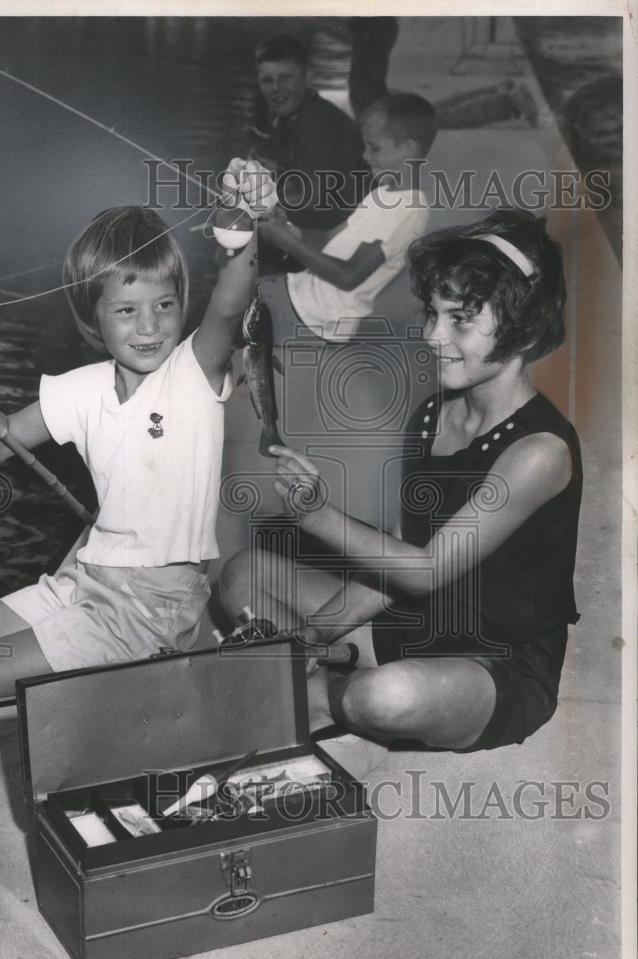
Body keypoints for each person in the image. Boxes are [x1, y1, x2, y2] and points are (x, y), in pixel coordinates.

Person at [0, 160, 273, 813]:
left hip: (151, 609)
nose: (150, 326)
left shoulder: (192, 374)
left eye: (164, 305)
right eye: (126, 311)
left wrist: (239, 223)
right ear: (91, 320)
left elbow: (233, 295)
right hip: (85, 580)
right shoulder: (81, 390)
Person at [220, 207, 582, 752]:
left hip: (495, 659)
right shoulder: (433, 415)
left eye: (460, 319)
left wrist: (319, 517)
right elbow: (393, 559)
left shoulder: (539, 452)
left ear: (526, 328)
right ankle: (311, 684)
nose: (435, 337)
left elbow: (427, 570)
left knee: (384, 698)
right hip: (414, 623)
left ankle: (318, 697)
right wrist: (315, 632)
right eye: (431, 314)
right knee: (242, 575)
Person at [257, 93, 436, 344]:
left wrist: (287, 242)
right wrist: (286, 226)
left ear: (408, 150)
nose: (365, 156)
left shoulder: (411, 208)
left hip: (319, 317)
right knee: (242, 286)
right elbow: (329, 239)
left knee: (234, 296)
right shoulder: (381, 195)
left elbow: (349, 276)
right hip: (307, 297)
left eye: (374, 148)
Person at [249, 34, 367, 237]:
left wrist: (257, 204)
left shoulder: (317, 123)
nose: (276, 87)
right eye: (267, 80)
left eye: (286, 78)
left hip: (341, 233)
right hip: (317, 222)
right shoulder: (284, 116)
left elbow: (312, 196)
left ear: (308, 77)